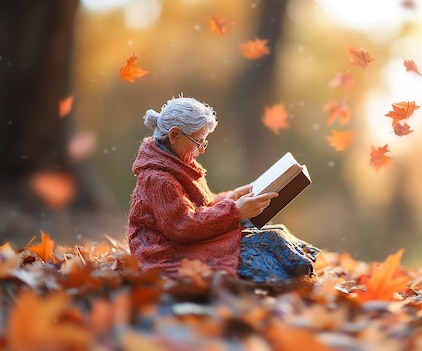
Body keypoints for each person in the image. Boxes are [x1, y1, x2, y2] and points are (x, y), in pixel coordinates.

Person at [126, 96, 319, 284]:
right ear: (174, 135)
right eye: (199, 141)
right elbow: (182, 226)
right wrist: (235, 211)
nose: (201, 150)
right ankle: (286, 274)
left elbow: (202, 205)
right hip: (165, 250)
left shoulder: (177, 165)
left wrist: (233, 196)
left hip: (187, 237)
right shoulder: (158, 179)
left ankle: (295, 266)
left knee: (275, 229)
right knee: (266, 240)